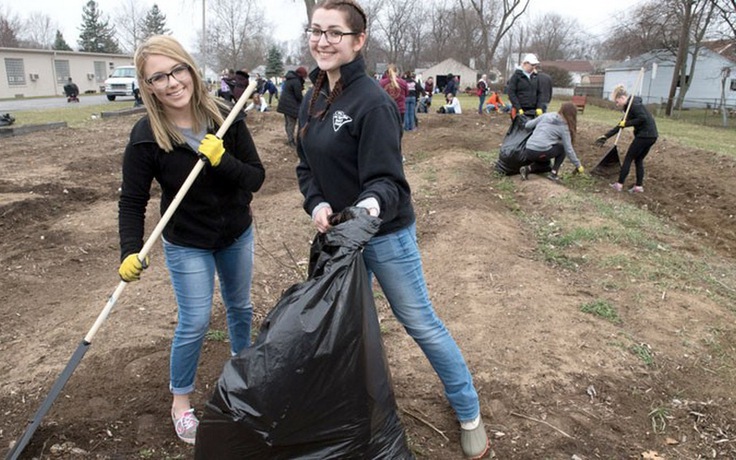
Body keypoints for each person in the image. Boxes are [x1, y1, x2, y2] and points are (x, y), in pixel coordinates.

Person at [296, 1, 489, 458]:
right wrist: (318, 203)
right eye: (315, 30)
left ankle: (469, 411)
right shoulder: (314, 97)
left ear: (358, 40)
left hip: (384, 235)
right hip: (338, 239)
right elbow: (306, 165)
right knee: (345, 327)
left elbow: (389, 182)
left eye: (334, 33)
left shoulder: (374, 102)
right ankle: (351, 412)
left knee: (419, 321)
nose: (322, 41)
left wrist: (362, 210)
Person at [117, 35, 265, 445]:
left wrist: (223, 159)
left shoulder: (225, 115)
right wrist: (130, 250)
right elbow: (132, 200)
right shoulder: (147, 135)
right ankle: (180, 403)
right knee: (195, 321)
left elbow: (255, 177)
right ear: (148, 86)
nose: (171, 82)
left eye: (177, 70)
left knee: (240, 307)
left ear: (191, 70)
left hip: (235, 232)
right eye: (158, 77)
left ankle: (243, 376)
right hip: (187, 241)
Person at [595, 84, 658, 193]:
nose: (617, 104)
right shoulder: (629, 107)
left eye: (617, 101)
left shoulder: (634, 105)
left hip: (645, 135)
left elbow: (642, 118)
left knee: (628, 158)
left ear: (622, 98)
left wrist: (627, 123)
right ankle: (638, 187)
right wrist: (606, 136)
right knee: (638, 160)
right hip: (652, 136)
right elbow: (620, 125)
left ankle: (619, 184)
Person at [518, 102, 584, 182]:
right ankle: (554, 174)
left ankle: (527, 169)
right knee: (562, 148)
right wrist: (578, 165)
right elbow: (569, 149)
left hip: (528, 149)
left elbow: (527, 125)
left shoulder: (546, 115)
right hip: (540, 152)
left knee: (546, 165)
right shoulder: (564, 127)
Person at [276, 66, 307, 148]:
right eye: (304, 76)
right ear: (300, 75)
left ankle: (289, 139)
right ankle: (291, 141)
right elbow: (298, 95)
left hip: (285, 104)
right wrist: (304, 101)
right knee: (291, 123)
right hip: (291, 105)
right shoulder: (296, 81)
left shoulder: (289, 79)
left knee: (288, 123)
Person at [505, 53, 542, 118]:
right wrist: (518, 108)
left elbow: (539, 92)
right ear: (525, 64)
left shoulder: (535, 77)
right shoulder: (516, 76)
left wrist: (539, 107)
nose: (534, 67)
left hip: (533, 110)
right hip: (519, 109)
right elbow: (511, 93)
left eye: (535, 65)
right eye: (532, 65)